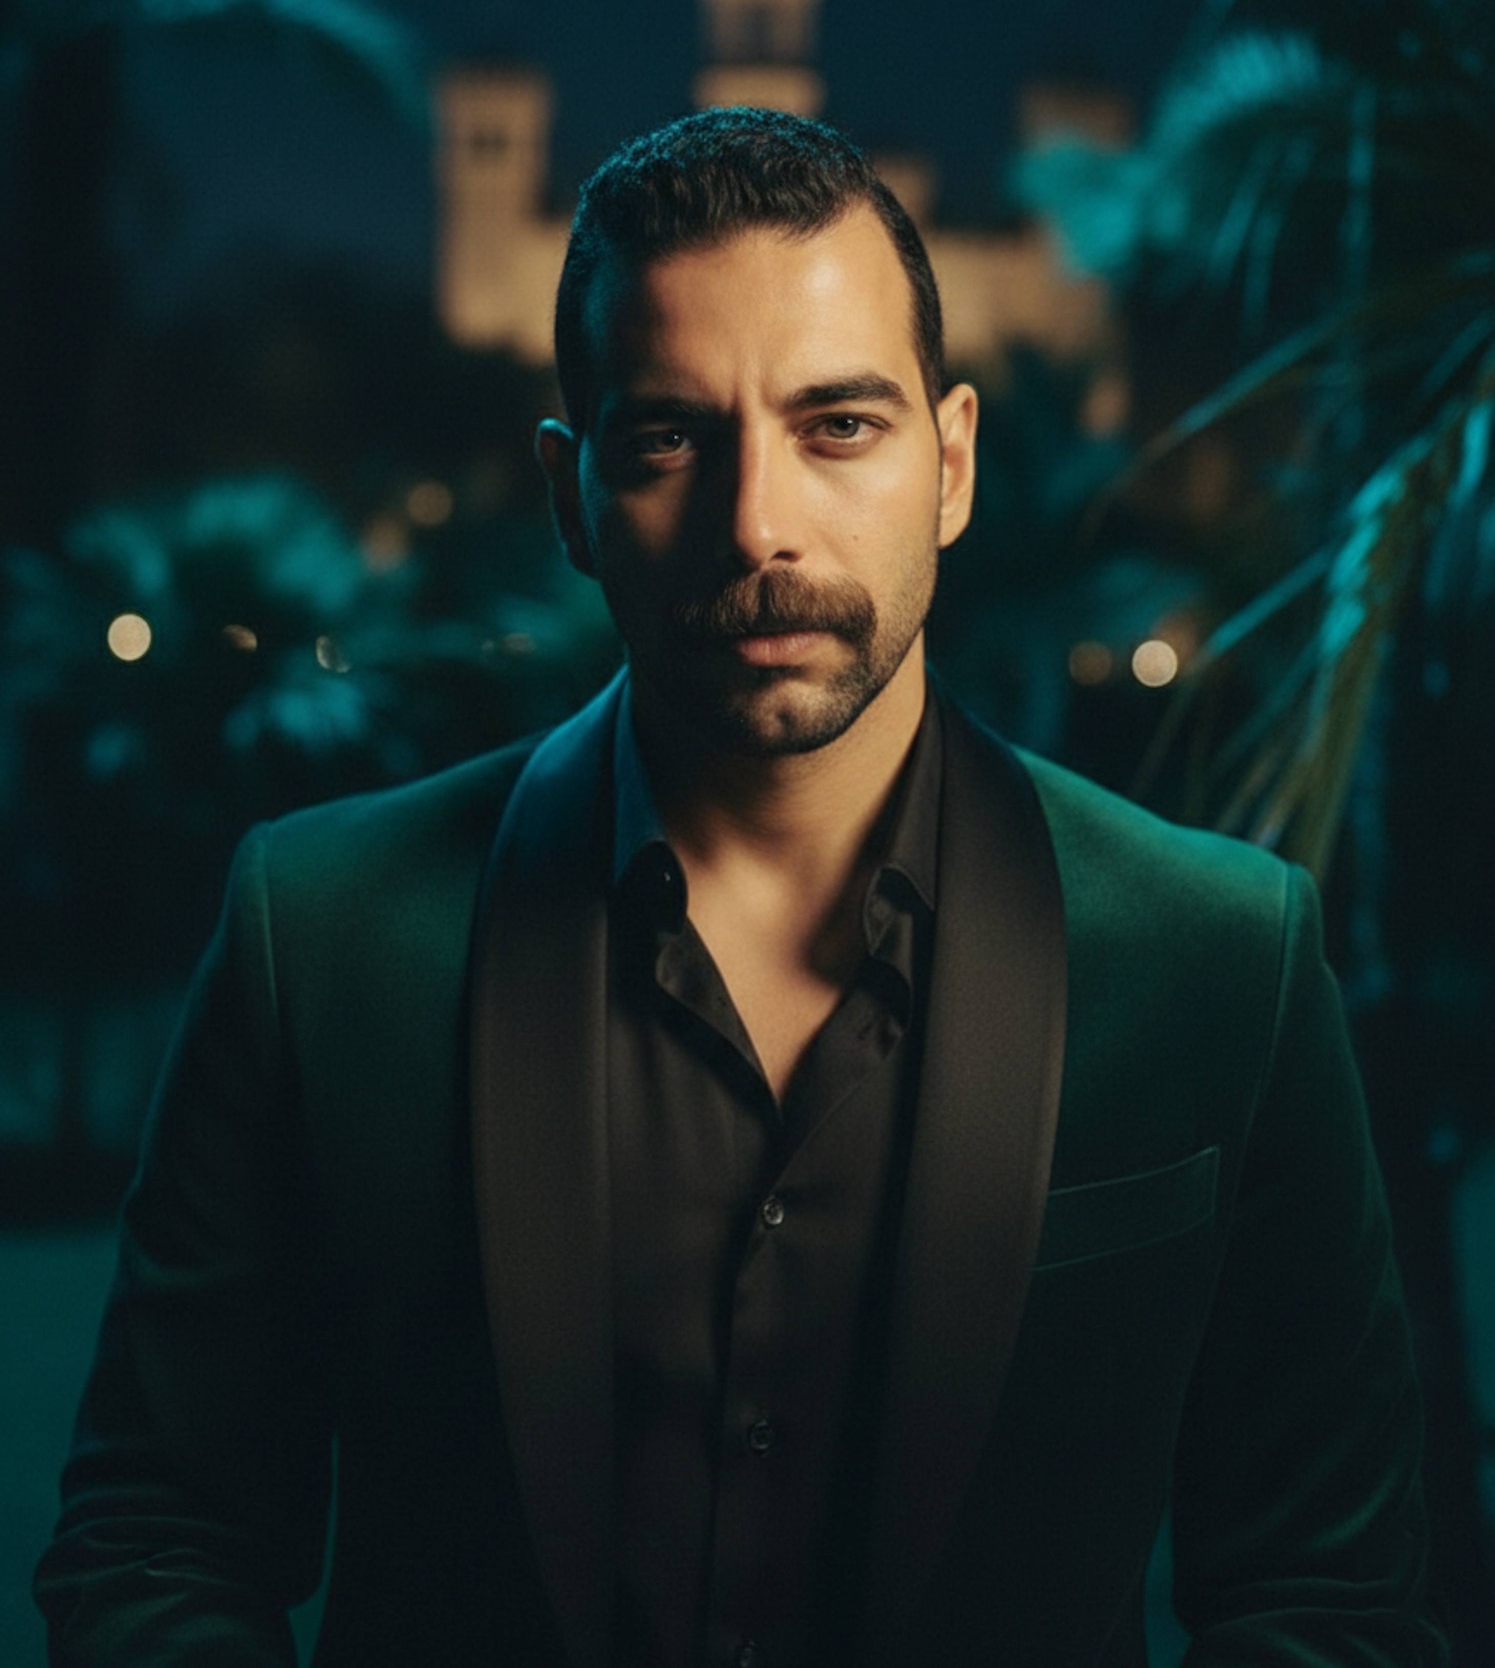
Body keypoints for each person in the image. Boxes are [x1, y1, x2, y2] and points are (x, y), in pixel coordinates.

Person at [36, 109, 1443, 1667]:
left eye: (840, 425)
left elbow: (1329, 1595)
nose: (759, 522)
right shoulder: (324, 938)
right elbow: (157, 1538)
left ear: (954, 463)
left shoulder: (1220, 961)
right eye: (669, 440)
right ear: (572, 498)